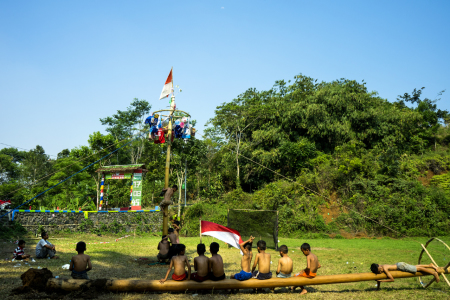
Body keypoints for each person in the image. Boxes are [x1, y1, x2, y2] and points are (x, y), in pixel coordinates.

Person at [370, 262, 440, 290]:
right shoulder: (380, 266)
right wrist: (378, 288)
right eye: (379, 271)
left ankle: (434, 273)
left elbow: (392, 279)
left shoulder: (384, 268)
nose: (381, 271)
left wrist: (381, 281)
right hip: (399, 264)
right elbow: (378, 278)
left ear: (379, 266)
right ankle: (430, 265)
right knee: (414, 266)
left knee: (417, 269)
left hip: (401, 266)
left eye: (380, 270)